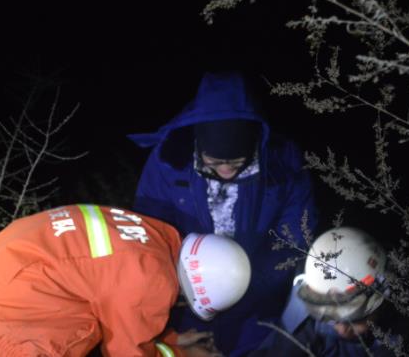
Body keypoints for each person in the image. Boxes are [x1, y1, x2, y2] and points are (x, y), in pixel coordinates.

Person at [128, 71, 319, 355]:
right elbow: (148, 235)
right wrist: (178, 289)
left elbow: (294, 238)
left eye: (237, 162)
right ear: (199, 145)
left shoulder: (283, 163)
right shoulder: (169, 162)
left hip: (256, 302)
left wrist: (244, 287)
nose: (227, 172)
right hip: (186, 302)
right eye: (215, 162)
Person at [0, 204, 251, 357]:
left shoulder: (148, 235)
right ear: (194, 293)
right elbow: (128, 351)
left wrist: (171, 341)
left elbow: (113, 297)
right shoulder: (152, 279)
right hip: (1, 342)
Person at [250, 226, 402, 357]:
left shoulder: (405, 310)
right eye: (331, 318)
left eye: (355, 319)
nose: (341, 330)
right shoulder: (303, 321)